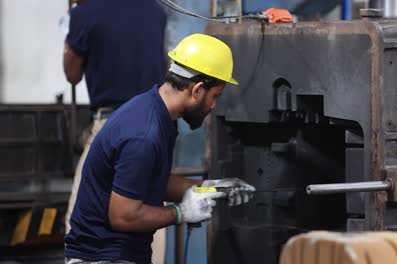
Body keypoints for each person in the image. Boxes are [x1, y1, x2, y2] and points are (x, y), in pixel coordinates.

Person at [64, 33, 256, 263]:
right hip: (102, 257)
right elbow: (123, 216)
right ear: (196, 90)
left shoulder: (158, 112)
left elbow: (148, 181)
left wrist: (209, 189)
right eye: (215, 96)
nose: (214, 106)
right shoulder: (144, 134)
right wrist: (181, 212)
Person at [62, 0, 168, 235]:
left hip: (112, 123)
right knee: (147, 212)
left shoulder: (85, 13)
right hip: (155, 122)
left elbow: (72, 74)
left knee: (81, 220)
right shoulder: (155, 11)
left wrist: (70, 38)